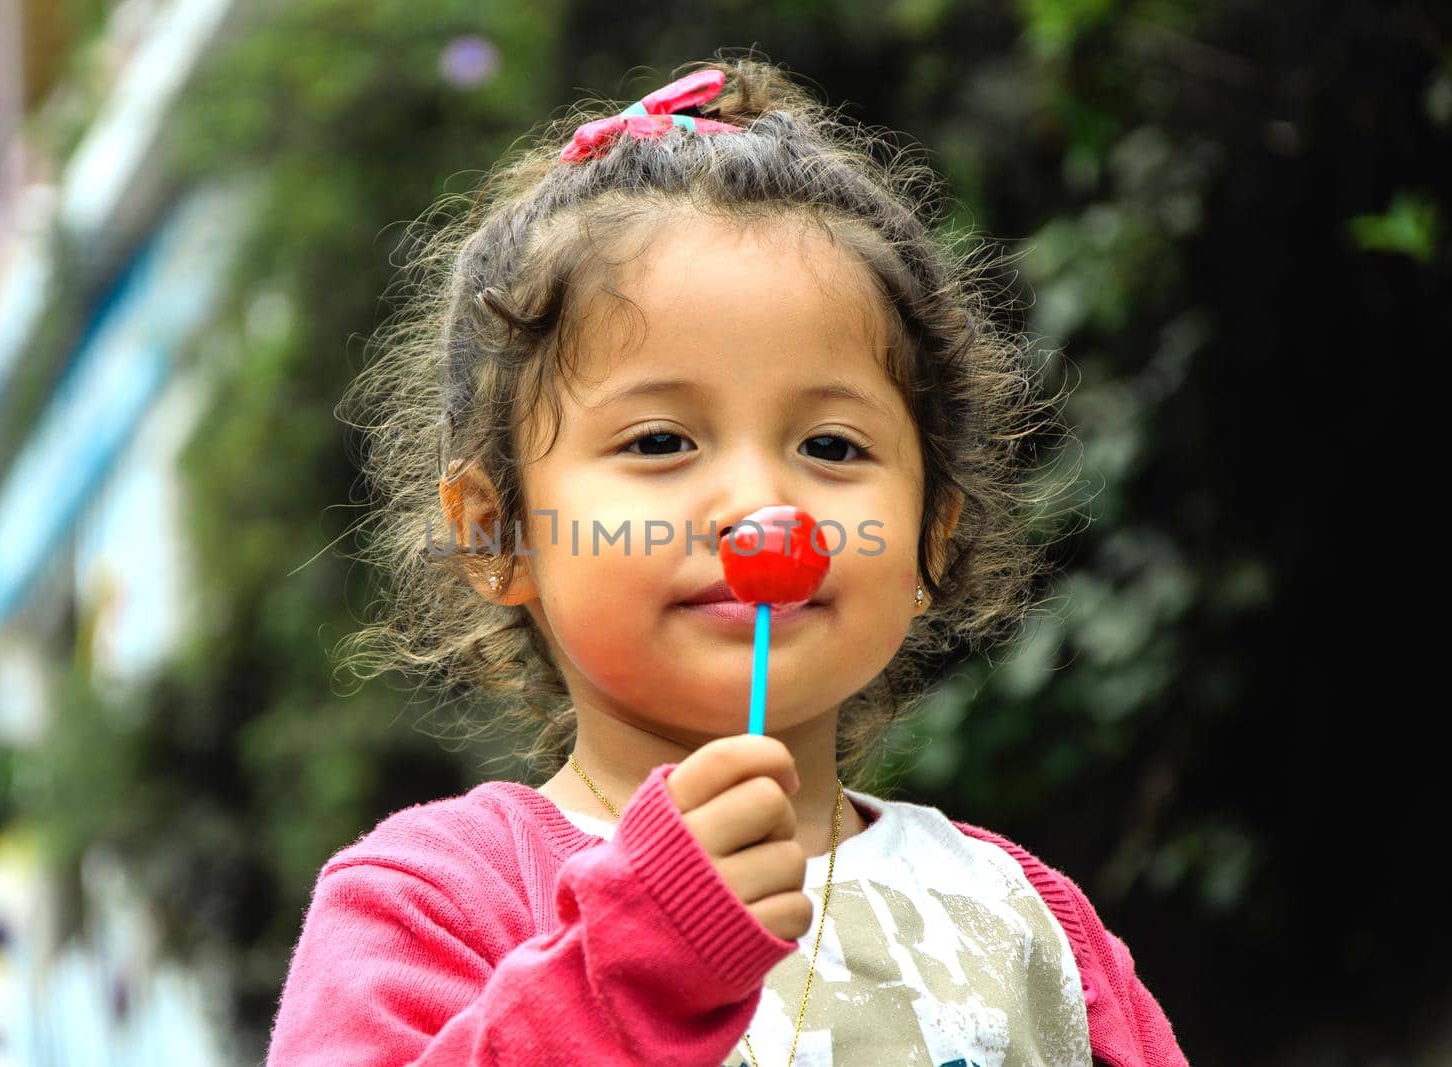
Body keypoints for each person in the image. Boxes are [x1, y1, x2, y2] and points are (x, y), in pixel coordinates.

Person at [266, 58, 1189, 1067]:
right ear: (498, 531)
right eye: (659, 441)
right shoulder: (438, 893)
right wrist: (636, 959)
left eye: (832, 447)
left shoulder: (1024, 917)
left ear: (933, 535)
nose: (761, 508)